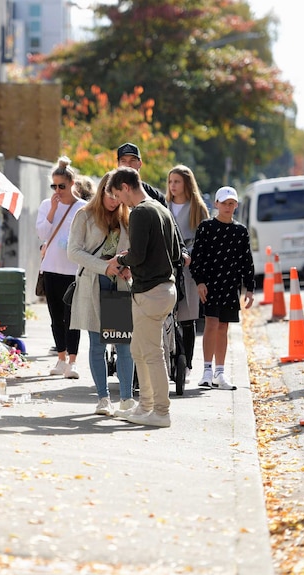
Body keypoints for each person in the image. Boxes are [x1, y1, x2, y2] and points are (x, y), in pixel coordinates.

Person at [106, 167, 182, 428]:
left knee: (151, 353)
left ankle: (161, 411)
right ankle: (145, 406)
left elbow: (137, 256)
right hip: (163, 288)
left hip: (150, 291)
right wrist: (135, 259)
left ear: (126, 187)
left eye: (118, 194)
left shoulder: (140, 212)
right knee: (140, 349)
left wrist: (122, 259)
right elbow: (174, 254)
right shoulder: (162, 209)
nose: (120, 202)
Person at [67, 170, 134, 416]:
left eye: (118, 195)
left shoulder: (127, 217)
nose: (114, 200)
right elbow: (73, 252)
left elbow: (133, 251)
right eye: (110, 193)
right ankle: (103, 399)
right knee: (96, 344)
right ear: (102, 190)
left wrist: (127, 268)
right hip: (94, 283)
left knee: (123, 343)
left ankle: (127, 399)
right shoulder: (84, 215)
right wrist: (104, 266)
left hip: (117, 285)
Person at [190, 186, 254, 390]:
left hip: (230, 285)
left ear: (236, 205)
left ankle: (220, 372)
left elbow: (247, 261)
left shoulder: (240, 231)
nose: (228, 207)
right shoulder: (206, 227)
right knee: (211, 323)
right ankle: (207, 370)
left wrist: (249, 288)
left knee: (223, 326)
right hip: (210, 284)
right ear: (216, 204)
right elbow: (197, 258)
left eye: (232, 203)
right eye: (225, 203)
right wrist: (199, 281)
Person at [36, 157, 87, 378]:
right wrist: (52, 210)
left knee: (72, 317)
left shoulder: (83, 207)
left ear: (72, 184)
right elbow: (42, 234)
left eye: (62, 186)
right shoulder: (47, 205)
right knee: (56, 316)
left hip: (73, 270)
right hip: (51, 268)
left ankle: (73, 362)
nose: (57, 190)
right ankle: (60, 358)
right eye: (54, 186)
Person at [165, 165, 210, 376]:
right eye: (170, 182)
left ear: (186, 184)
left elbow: (204, 240)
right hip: (166, 264)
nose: (173, 186)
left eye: (177, 182)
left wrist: (190, 255)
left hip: (190, 266)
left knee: (188, 316)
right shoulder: (163, 206)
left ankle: (188, 364)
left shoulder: (197, 208)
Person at [116, 143, 168, 207]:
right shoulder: (111, 194)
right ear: (118, 164)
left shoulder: (155, 196)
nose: (128, 165)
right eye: (123, 161)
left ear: (140, 163)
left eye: (132, 160)